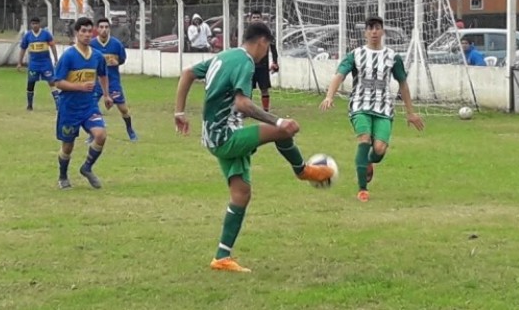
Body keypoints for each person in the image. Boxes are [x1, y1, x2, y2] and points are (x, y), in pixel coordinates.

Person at [174, 22, 335, 273]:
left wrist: (179, 112)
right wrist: (278, 120)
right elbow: (242, 103)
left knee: (241, 194)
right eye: (268, 47)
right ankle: (303, 171)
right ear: (263, 42)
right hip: (226, 136)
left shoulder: (224, 55)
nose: (265, 53)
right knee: (283, 130)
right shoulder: (246, 61)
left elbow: (187, 73)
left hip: (213, 137)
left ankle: (221, 257)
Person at [319, 16, 425, 202]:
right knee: (364, 139)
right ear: (365, 33)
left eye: (377, 28)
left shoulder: (392, 57)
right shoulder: (356, 54)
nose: (374, 31)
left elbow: (403, 84)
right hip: (360, 105)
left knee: (379, 149)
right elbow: (339, 76)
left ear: (382, 31)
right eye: (370, 28)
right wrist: (329, 96)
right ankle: (362, 189)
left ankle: (369, 161)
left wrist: (410, 113)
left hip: (383, 107)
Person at [54, 17, 113, 190]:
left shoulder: (97, 56)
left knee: (101, 135)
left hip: (89, 106)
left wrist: (107, 95)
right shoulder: (68, 56)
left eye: (89, 31)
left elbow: (103, 75)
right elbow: (58, 82)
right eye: (83, 31)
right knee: (67, 146)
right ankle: (63, 176)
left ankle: (86, 167)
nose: (87, 35)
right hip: (69, 108)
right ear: (76, 33)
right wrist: (79, 86)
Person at [90, 17, 138, 141]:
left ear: (109, 29)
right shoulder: (92, 45)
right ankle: (92, 133)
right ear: (97, 29)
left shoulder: (116, 44)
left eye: (106, 27)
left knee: (123, 108)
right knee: (91, 107)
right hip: (96, 82)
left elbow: (122, 59)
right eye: (101, 27)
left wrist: (116, 61)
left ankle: (130, 130)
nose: (104, 30)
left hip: (113, 81)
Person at [17, 17, 60, 111]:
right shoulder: (28, 35)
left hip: (46, 63)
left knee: (52, 82)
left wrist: (56, 59)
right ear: (30, 25)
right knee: (31, 82)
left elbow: (52, 46)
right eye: (33, 23)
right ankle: (29, 105)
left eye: (36, 23)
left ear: (39, 24)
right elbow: (23, 49)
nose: (35, 25)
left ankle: (58, 104)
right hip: (33, 64)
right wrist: (19, 62)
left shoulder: (46, 34)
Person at [249, 10, 279, 112]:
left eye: (258, 17)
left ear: (262, 19)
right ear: (250, 20)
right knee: (247, 89)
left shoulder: (267, 33)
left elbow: (273, 48)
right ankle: (247, 109)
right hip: (250, 65)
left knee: (264, 89)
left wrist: (275, 62)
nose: (256, 19)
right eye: (254, 17)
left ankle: (266, 110)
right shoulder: (248, 33)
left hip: (263, 65)